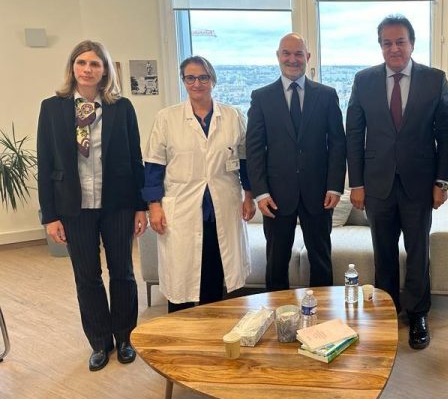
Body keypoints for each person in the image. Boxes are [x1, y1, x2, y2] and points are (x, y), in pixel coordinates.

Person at [346, 14, 448, 350]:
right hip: (377, 185)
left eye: (400, 42)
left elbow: (445, 136)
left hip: (419, 185)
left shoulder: (434, 80)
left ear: (412, 44)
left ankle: (418, 313)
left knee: (418, 251)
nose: (394, 48)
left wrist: (441, 182)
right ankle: (387, 310)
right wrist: (356, 184)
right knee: (383, 252)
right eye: (387, 43)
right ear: (380, 46)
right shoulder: (363, 80)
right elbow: (354, 135)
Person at [37, 40, 147, 371]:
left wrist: (140, 206)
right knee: (87, 277)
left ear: (105, 70)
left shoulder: (121, 107)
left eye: (95, 64)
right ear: (73, 68)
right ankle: (100, 342)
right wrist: (50, 216)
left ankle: (125, 337)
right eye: (82, 63)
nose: (88, 69)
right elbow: (46, 164)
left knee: (123, 273)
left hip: (117, 204)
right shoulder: (52, 108)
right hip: (74, 206)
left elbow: (135, 159)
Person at [143, 56, 255, 313]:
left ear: (212, 80)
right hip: (182, 207)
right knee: (181, 277)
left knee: (214, 275)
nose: (197, 83)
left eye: (203, 77)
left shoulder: (232, 116)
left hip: (221, 207)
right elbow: (153, 166)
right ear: (183, 81)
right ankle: (181, 329)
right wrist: (154, 206)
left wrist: (249, 195)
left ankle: (211, 327)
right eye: (190, 78)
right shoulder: (167, 118)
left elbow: (245, 160)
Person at [246, 33, 346, 290]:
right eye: (287, 53)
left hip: (319, 193)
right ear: (278, 56)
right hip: (276, 196)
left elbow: (338, 143)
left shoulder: (326, 95)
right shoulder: (261, 97)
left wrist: (335, 187)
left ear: (307, 57)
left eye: (298, 53)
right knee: (276, 261)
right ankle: (277, 310)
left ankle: (323, 310)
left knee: (321, 259)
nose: (293, 59)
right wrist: (261, 192)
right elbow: (254, 149)